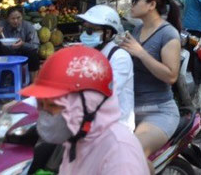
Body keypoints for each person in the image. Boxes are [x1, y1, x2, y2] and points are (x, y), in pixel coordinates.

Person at [20, 46, 149, 174]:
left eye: (53, 106)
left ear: (87, 105)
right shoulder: (77, 139)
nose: (44, 113)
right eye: (41, 105)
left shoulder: (119, 153)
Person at [119, 0, 181, 157]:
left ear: (152, 4)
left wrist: (141, 53)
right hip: (131, 111)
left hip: (159, 112)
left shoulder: (168, 34)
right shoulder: (137, 31)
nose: (131, 4)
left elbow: (171, 76)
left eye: (135, 0)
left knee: (132, 153)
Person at [76, 4, 135, 129]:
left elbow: (106, 94)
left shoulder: (120, 58)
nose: (86, 34)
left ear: (107, 33)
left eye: (90, 30)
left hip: (116, 127)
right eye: (84, 28)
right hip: (91, 121)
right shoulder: (90, 53)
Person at [0, 4, 40, 74]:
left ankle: (33, 82)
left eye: (18, 18)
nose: (16, 21)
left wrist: (23, 44)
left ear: (22, 17)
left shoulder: (28, 26)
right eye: (12, 18)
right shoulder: (2, 25)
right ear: (7, 19)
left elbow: (35, 46)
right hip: (4, 53)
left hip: (22, 53)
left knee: (34, 55)